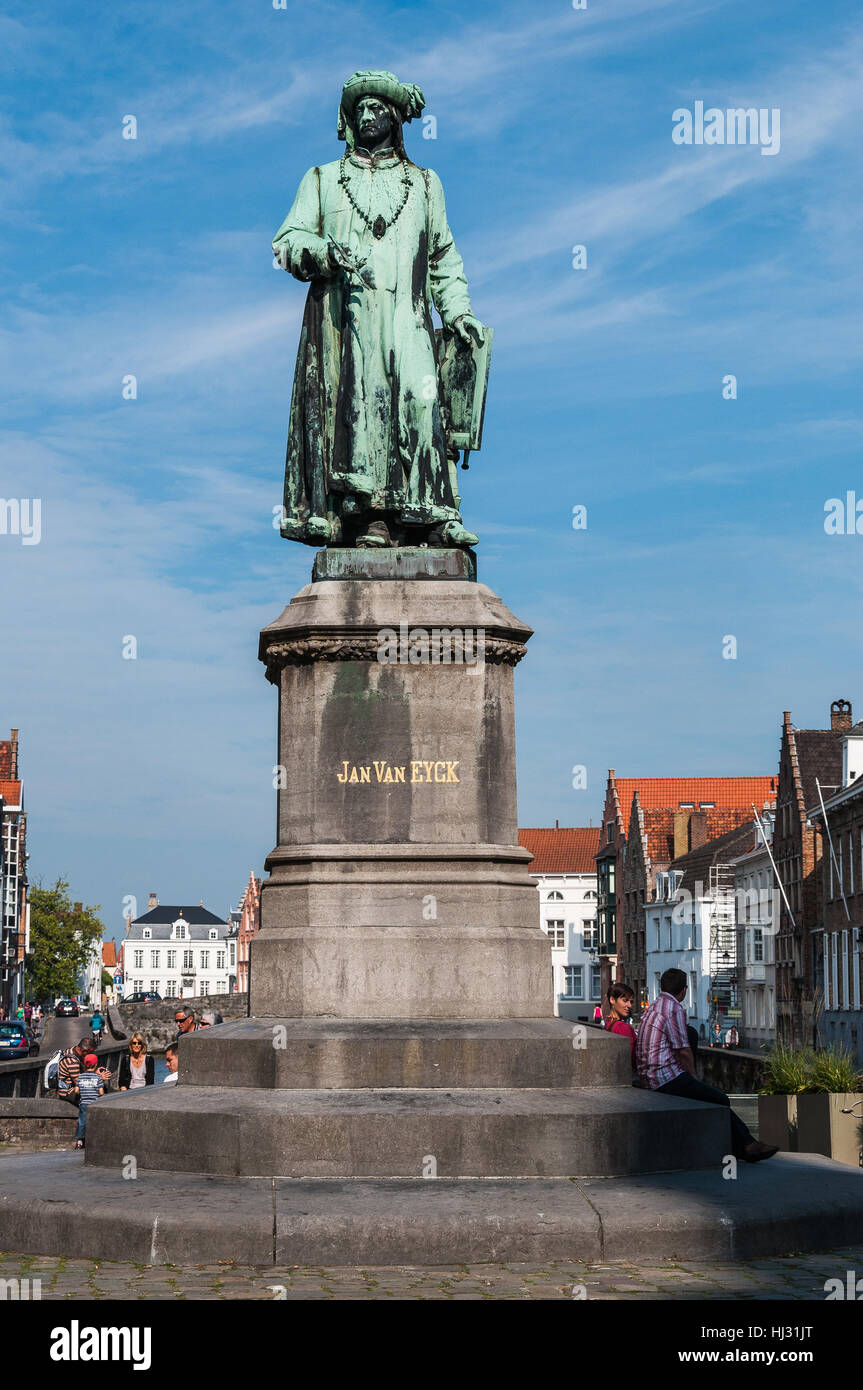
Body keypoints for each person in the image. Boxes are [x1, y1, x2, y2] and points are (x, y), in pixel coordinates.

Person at [636, 968, 777, 1163]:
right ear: (684, 990)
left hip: (648, 1076)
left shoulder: (654, 1006)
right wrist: (693, 1077)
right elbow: (683, 1051)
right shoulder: (673, 1008)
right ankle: (744, 1147)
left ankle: (745, 1145)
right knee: (719, 1098)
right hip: (663, 1078)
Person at [71, 1053, 104, 1149]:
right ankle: (93, 1139)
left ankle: (80, 1141)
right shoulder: (98, 1077)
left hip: (84, 1103)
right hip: (94, 1104)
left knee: (82, 1122)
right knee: (95, 1121)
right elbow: (101, 1092)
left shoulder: (80, 1077)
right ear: (96, 1064)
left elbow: (76, 1091)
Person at [604, 982, 638, 1075]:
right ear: (612, 999)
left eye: (631, 1001)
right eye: (625, 1000)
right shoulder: (623, 1028)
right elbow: (631, 1058)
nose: (629, 1005)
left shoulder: (608, 1023)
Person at [58, 1036, 97, 1102]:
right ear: (84, 1051)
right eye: (91, 1052)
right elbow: (80, 1083)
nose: (92, 1055)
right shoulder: (72, 1062)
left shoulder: (72, 1050)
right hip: (67, 1092)